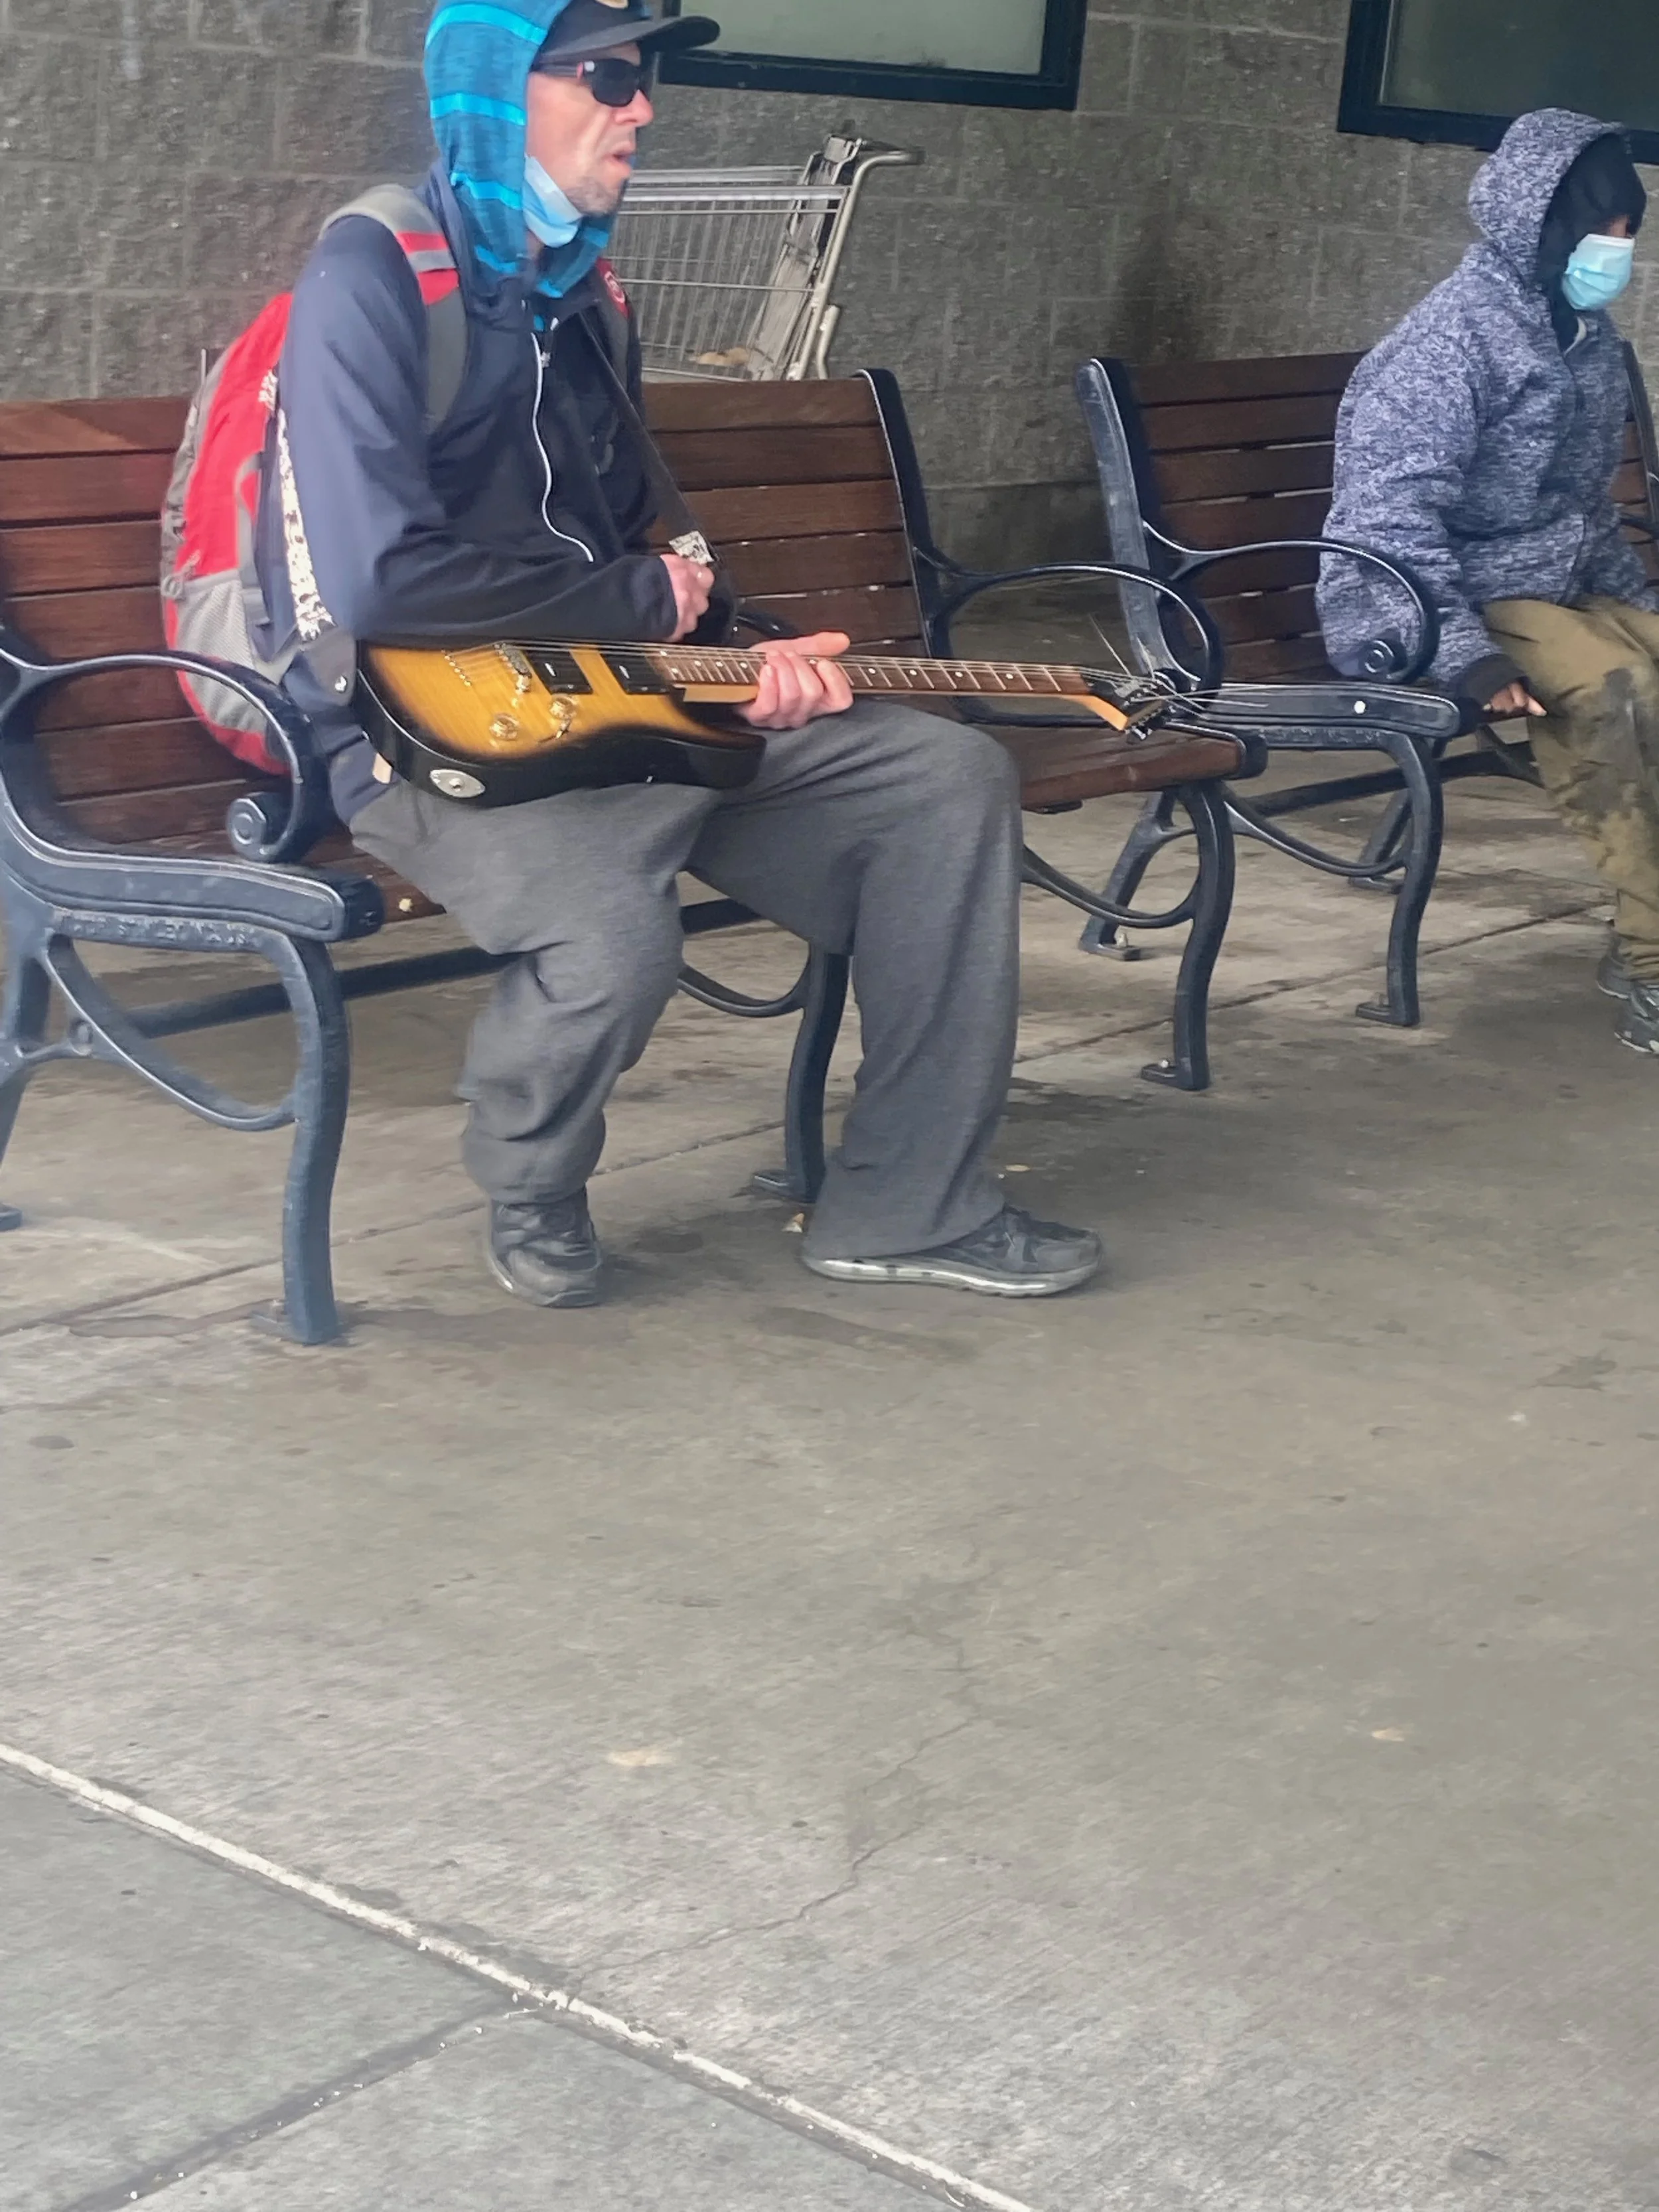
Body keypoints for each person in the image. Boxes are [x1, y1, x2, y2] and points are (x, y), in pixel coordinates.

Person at [255, 0, 1102, 1308]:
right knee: (611, 929)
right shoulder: (373, 273)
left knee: (938, 782)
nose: (639, 108)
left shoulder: (583, 292)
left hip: (626, 706)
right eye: (605, 77)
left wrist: (746, 648)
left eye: (644, 80)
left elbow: (646, 534)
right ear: (496, 92)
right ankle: (529, 1174)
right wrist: (637, 599)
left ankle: (906, 1203)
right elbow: (379, 579)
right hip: (413, 730)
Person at [1317, 108, 1659, 1054]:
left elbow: (1585, 504)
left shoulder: (1578, 334)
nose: (1617, 248)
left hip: (1549, 581)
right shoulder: (1448, 345)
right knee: (1615, 691)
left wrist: (1639, 603)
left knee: (1641, 659)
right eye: (1604, 227)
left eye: (1630, 229)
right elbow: (1380, 523)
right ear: (1541, 223)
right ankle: (1650, 965)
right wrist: (1461, 657)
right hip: (1446, 596)